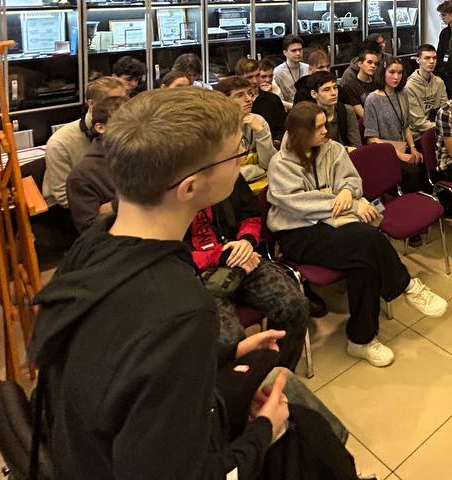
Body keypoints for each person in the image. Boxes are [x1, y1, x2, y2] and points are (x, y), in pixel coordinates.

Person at [27, 88, 343, 479]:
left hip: (103, 447)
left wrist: (222, 354)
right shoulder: (182, 312)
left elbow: (132, 375)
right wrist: (265, 429)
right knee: (307, 432)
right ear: (189, 187)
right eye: (235, 155)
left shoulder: (92, 247)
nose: (242, 160)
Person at [268, 102, 447, 368]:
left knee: (364, 262)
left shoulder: (333, 149)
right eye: (318, 128)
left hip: (334, 222)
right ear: (300, 132)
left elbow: (352, 180)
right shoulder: (281, 163)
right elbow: (298, 204)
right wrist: (350, 203)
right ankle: (407, 286)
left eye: (326, 125)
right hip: (297, 232)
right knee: (368, 239)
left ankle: (361, 340)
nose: (326, 131)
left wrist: (346, 191)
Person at [186, 165, 309, 373]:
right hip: (194, 275)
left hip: (242, 258)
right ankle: (242, 387)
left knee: (294, 306)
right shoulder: (166, 190)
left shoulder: (226, 171)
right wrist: (223, 255)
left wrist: (246, 242)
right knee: (228, 340)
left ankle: (277, 375)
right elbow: (167, 251)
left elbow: (250, 215)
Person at [41, 75, 130, 222]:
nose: (122, 107)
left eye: (124, 99)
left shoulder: (126, 135)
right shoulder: (60, 142)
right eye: (113, 101)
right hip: (70, 213)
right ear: (91, 104)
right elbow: (64, 198)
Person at [65, 95, 129, 233]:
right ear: (100, 127)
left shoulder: (149, 156)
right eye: (122, 123)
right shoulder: (82, 176)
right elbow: (90, 232)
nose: (132, 128)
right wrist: (121, 204)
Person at [362, 60, 425, 192]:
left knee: (422, 161)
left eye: (400, 73)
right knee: (412, 172)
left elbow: (406, 126)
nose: (396, 77)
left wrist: (412, 148)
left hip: (401, 145)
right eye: (392, 72)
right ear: (383, 73)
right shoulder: (372, 99)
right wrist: (400, 155)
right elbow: (372, 139)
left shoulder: (402, 94)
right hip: (384, 151)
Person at [214, 76, 275, 183]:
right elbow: (221, 176)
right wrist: (258, 170)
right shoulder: (214, 128)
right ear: (224, 101)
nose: (249, 99)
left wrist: (261, 132)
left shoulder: (258, 121)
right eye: (240, 95)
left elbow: (269, 164)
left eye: (249, 93)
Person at [298, 70, 361, 152]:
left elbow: (356, 145)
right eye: (327, 90)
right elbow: (310, 149)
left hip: (346, 157)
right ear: (314, 94)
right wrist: (345, 149)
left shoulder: (347, 110)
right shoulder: (308, 116)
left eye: (335, 87)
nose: (334, 93)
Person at [238, 57, 286, 145]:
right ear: (240, 78)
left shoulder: (273, 99)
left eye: (257, 75)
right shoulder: (236, 102)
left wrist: (276, 141)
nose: (255, 81)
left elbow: (283, 125)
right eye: (250, 77)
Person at [405, 44, 448, 137]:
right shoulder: (409, 87)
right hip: (418, 134)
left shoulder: (439, 82)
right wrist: (445, 125)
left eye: (434, 58)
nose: (432, 61)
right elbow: (419, 123)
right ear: (418, 60)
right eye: (427, 58)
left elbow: (445, 110)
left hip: (438, 129)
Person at [338, 46, 380, 121]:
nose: (373, 66)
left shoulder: (378, 83)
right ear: (360, 64)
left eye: (376, 64)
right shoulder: (350, 86)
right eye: (369, 62)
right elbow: (361, 114)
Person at [435, 0, 452, 97]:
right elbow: (440, 54)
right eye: (441, 15)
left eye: (444, 15)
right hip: (446, 74)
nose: (442, 18)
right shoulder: (444, 33)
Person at [273, 36, 308, 105]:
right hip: (288, 107)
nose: (298, 53)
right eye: (294, 51)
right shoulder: (278, 72)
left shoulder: (307, 68)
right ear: (285, 53)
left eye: (300, 50)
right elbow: (277, 98)